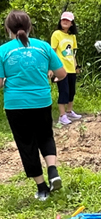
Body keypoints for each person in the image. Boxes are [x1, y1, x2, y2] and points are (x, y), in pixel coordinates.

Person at [0, 11, 67, 200]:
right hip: (41, 101)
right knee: (45, 136)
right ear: (30, 27)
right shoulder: (43, 47)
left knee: (26, 143)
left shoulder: (3, 51)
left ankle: (42, 188)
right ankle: (52, 170)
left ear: (8, 29)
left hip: (15, 105)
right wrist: (50, 75)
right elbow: (61, 74)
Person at [51, 11, 82, 125]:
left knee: (71, 91)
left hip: (71, 68)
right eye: (63, 19)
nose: (65, 21)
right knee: (63, 91)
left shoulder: (72, 36)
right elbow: (52, 52)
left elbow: (72, 53)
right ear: (60, 21)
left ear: (72, 23)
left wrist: (76, 66)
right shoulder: (56, 34)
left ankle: (69, 111)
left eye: (68, 20)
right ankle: (62, 115)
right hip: (61, 69)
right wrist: (51, 68)